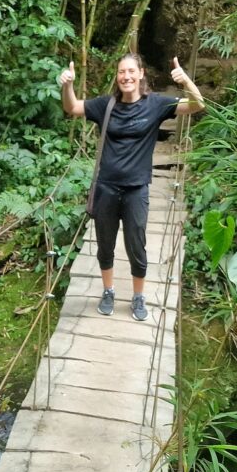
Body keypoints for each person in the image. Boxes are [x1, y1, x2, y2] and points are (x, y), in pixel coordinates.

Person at [59, 53, 204, 320]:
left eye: (130, 71)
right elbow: (73, 108)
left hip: (137, 188)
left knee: (136, 244)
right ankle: (108, 291)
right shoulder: (106, 105)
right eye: (121, 72)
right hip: (106, 187)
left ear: (141, 74)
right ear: (118, 77)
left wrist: (186, 82)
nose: (125, 76)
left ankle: (138, 297)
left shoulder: (155, 104)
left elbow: (197, 105)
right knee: (105, 243)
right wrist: (66, 86)